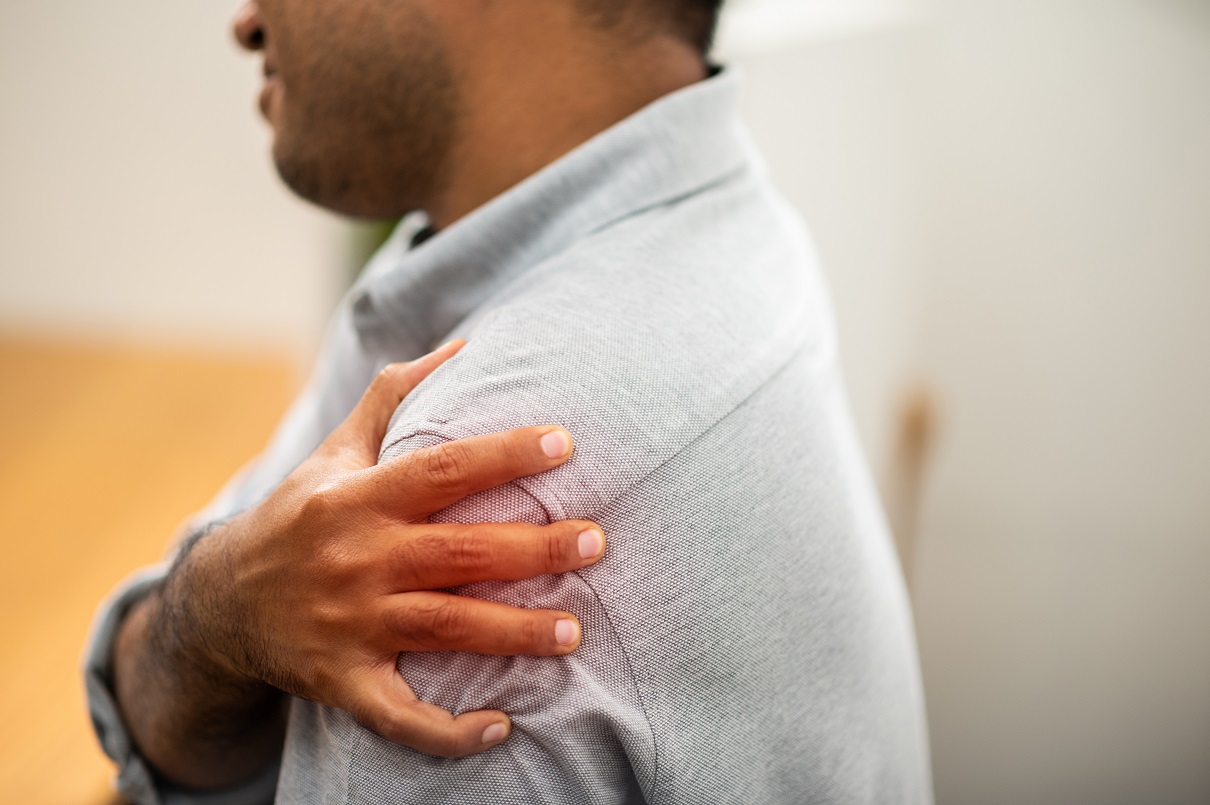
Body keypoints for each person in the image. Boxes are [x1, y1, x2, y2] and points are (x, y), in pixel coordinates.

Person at [86, 1, 933, 802]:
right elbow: (150, 704)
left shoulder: (478, 501)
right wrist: (218, 611)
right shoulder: (731, 227)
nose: (244, 20)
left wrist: (211, 617)